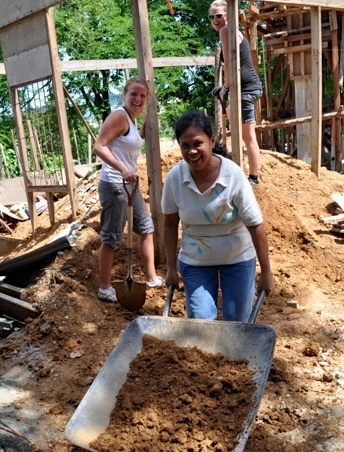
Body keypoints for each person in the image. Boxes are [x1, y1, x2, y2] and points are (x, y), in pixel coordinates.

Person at [162, 110, 275, 321]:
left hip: (237, 257)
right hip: (196, 260)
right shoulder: (175, 179)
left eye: (198, 144)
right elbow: (169, 225)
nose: (192, 151)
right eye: (185, 146)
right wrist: (170, 268)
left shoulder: (232, 175)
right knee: (200, 319)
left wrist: (266, 272)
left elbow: (255, 225)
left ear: (212, 141)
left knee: (237, 318)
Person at [93, 77, 164, 302]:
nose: (138, 99)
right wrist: (123, 168)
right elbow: (99, 146)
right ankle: (104, 287)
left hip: (131, 184)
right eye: (134, 94)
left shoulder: (131, 121)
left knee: (145, 228)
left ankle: (151, 277)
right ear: (124, 95)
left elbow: (125, 144)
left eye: (143, 96)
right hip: (115, 184)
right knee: (112, 237)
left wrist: (141, 133)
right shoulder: (119, 116)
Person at [209, 0, 263, 186]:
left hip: (246, 89)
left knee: (247, 136)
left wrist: (225, 89)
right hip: (245, 87)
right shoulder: (234, 31)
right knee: (239, 132)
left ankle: (253, 178)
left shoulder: (226, 31)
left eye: (219, 15)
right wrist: (224, 88)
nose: (215, 20)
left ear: (228, 15)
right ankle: (239, 172)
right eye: (211, 16)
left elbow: (231, 67)